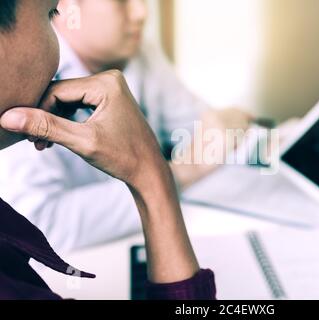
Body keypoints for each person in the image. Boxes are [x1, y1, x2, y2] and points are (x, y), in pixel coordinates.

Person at [0, 0, 216, 300]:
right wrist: (155, 177)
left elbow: (204, 126)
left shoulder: (136, 53)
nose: (142, 13)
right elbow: (48, 220)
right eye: (51, 14)